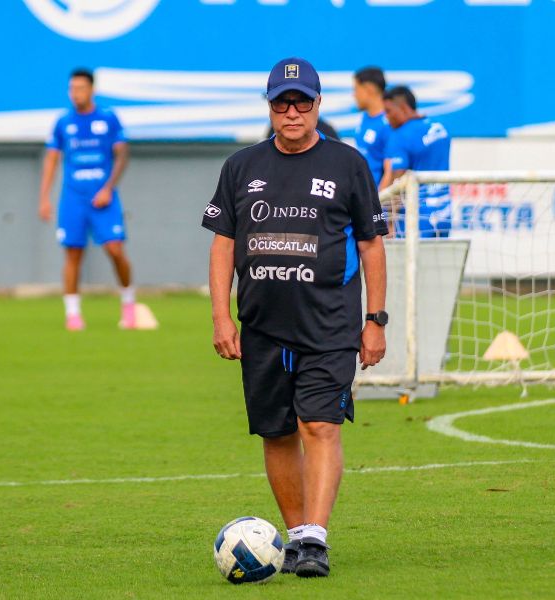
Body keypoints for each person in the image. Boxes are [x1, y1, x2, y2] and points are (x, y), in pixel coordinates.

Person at [201, 57, 388, 578]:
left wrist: (375, 319)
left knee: (319, 424)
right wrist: (221, 316)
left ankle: (314, 538)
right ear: (269, 105)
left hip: (329, 323)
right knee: (278, 433)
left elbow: (372, 245)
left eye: (301, 101)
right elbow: (223, 245)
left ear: (318, 103)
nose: (292, 111)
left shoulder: (348, 165)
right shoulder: (241, 167)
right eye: (282, 101)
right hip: (261, 326)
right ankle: (298, 537)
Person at [38, 68, 136, 331]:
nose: (76, 94)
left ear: (91, 90)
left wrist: (108, 188)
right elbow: (51, 159)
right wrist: (44, 197)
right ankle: (73, 314)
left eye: (80, 88)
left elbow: (122, 155)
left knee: (115, 249)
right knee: (72, 253)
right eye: (72, 89)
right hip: (73, 198)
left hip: (103, 197)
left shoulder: (108, 118)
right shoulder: (63, 123)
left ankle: (128, 304)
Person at [379, 86, 452, 238]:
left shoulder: (400, 136)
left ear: (404, 108)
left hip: (416, 218)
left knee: (410, 262)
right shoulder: (440, 129)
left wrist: (390, 223)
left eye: (388, 111)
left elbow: (397, 184)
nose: (386, 117)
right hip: (444, 213)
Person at [353, 66, 390, 186]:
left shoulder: (389, 123)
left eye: (356, 90)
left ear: (369, 89)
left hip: (378, 200)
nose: (354, 95)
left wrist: (378, 202)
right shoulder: (364, 118)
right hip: (363, 196)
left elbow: (392, 171)